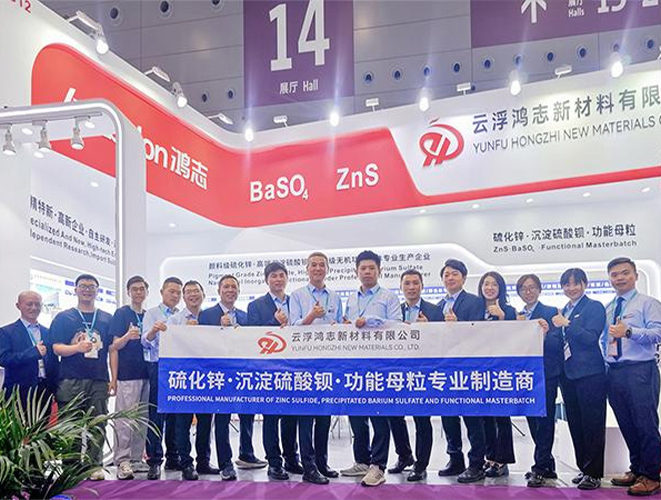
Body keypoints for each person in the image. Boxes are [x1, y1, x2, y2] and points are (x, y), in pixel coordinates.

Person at [340, 250, 402, 487]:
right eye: (363, 268)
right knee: (356, 415)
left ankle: (378, 466)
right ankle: (362, 461)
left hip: (380, 366)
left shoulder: (389, 297)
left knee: (379, 416)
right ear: (356, 272)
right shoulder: (351, 299)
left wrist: (370, 321)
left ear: (379, 270)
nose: (367, 272)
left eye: (371, 268)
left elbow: (397, 326)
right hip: (354, 364)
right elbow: (349, 326)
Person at [601, 257, 661, 496]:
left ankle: (652, 475)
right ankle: (637, 469)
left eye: (625, 273)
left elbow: (658, 333)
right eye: (614, 274)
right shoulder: (609, 307)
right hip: (614, 372)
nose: (620, 278)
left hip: (640, 370)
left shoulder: (648, 303)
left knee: (646, 424)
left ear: (635, 275)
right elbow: (605, 340)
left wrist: (629, 331)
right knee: (627, 423)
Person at [198, 275, 267, 471]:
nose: (230, 290)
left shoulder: (245, 316)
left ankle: (247, 454)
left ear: (238, 291)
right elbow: (202, 342)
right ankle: (225, 463)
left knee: (247, 414)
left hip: (243, 372)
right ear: (219, 291)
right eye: (226, 287)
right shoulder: (207, 315)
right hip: (219, 374)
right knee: (222, 419)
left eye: (233, 287)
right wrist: (218, 327)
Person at [51, 274, 113, 481]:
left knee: (98, 423)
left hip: (99, 378)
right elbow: (56, 348)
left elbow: (112, 349)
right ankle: (71, 467)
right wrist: (76, 348)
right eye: (83, 286)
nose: (87, 290)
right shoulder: (64, 317)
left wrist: (113, 378)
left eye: (92, 286)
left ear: (97, 291)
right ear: (75, 289)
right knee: (71, 424)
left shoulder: (106, 318)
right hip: (71, 378)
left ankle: (94, 466)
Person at [289, 252, 344, 485]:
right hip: (304, 364)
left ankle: (322, 463)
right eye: (314, 265)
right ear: (307, 269)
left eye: (322, 265)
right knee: (306, 417)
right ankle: (309, 466)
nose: (318, 268)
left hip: (328, 363)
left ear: (328, 269)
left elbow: (340, 327)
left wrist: (339, 326)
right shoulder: (297, 295)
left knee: (324, 416)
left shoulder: (335, 297)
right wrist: (311, 316)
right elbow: (293, 327)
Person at [552, 268, 607, 490]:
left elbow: (591, 338)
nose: (571, 288)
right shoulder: (564, 309)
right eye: (566, 284)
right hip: (568, 376)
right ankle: (584, 468)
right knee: (576, 423)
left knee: (593, 424)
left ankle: (594, 473)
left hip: (590, 375)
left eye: (575, 283)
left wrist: (567, 324)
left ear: (584, 284)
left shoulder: (594, 307)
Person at [247, 262, 303, 481]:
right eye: (273, 276)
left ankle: (291, 459)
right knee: (270, 418)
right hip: (268, 368)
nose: (278, 279)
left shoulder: (295, 301)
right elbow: (252, 335)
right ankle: (274, 463)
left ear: (287, 278)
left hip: (292, 367)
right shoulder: (256, 305)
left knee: (291, 417)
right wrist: (274, 322)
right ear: (266, 280)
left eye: (281, 275)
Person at [435, 259, 485, 483]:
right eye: (446, 274)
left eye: (454, 273)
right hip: (445, 370)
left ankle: (476, 464)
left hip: (468, 368)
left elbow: (479, 333)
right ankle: (455, 459)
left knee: (472, 418)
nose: (450, 278)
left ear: (463, 278)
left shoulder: (475, 302)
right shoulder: (438, 306)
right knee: (448, 417)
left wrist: (459, 324)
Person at [387, 269, 439, 482]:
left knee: (422, 419)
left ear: (422, 286)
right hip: (398, 372)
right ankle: (404, 455)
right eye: (407, 283)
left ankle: (421, 464)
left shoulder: (434, 311)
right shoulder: (395, 312)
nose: (411, 287)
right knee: (394, 415)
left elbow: (443, 341)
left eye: (415, 283)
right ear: (401, 287)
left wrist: (428, 329)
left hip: (423, 372)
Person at [169, 280, 224, 481]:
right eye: (189, 292)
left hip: (207, 377)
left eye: (196, 291)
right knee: (182, 423)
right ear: (183, 297)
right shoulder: (175, 320)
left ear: (203, 294)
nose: (193, 295)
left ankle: (203, 461)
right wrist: (185, 331)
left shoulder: (211, 317)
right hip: (184, 378)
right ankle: (186, 463)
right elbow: (167, 344)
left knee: (205, 422)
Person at [515, 274, 563, 488]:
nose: (528, 291)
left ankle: (540, 467)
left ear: (540, 289)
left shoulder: (551, 312)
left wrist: (544, 334)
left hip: (546, 373)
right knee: (533, 420)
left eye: (532, 287)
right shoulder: (518, 316)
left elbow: (557, 343)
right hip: (525, 375)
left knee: (544, 420)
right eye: (524, 288)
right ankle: (548, 464)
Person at [109, 276, 151, 480]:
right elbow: (113, 347)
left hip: (148, 373)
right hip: (128, 374)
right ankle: (122, 460)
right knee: (125, 419)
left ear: (147, 292)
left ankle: (136, 458)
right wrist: (127, 336)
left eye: (142, 289)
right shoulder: (122, 314)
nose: (138, 292)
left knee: (143, 419)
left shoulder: (149, 315)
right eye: (134, 289)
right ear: (128, 292)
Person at [141, 276, 183, 480]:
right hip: (158, 366)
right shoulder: (152, 313)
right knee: (157, 415)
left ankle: (174, 457)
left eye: (178, 292)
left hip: (178, 368)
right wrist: (153, 330)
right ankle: (155, 460)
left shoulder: (181, 315)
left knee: (175, 414)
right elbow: (144, 341)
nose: (175, 295)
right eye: (171, 291)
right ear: (162, 292)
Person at [477, 271, 517, 478]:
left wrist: (502, 317)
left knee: (501, 416)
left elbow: (513, 339)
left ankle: (503, 461)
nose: (490, 287)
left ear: (500, 288)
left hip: (501, 369)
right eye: (486, 284)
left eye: (494, 284)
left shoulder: (509, 311)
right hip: (479, 369)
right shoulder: (476, 310)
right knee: (485, 417)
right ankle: (490, 457)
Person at [0, 291, 58, 409]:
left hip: (44, 390)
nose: (34, 308)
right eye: (29, 304)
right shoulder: (6, 332)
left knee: (44, 422)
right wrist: (33, 352)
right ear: (18, 305)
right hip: (18, 392)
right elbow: (4, 359)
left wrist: (55, 388)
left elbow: (54, 362)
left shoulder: (48, 332)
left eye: (37, 304)